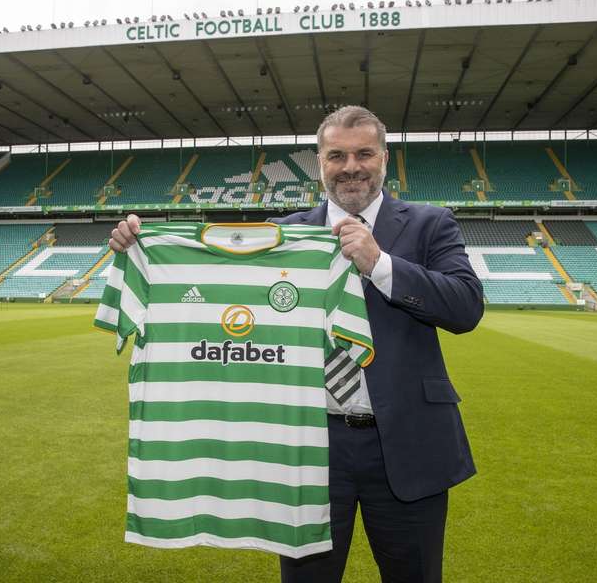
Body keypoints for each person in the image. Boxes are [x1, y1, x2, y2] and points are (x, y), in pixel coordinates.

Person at [109, 105, 484, 583]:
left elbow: (466, 307)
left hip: (408, 444)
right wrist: (141, 245)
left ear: (385, 158)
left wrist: (380, 263)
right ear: (320, 164)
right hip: (306, 445)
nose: (351, 167)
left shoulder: (431, 224)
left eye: (364, 153)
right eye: (337, 156)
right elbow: (219, 295)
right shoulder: (282, 234)